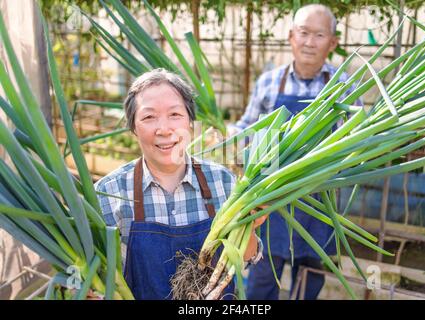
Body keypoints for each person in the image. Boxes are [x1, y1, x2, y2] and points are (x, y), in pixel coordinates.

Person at [95, 68, 264, 300]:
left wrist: (250, 227)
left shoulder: (223, 182)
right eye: (148, 117)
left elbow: (247, 257)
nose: (164, 129)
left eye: (175, 115)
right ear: (134, 128)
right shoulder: (109, 193)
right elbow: (98, 276)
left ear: (190, 122)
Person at [229, 4, 361, 300]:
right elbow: (247, 129)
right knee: (261, 281)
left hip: (320, 204)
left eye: (319, 35)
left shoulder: (343, 88)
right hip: (270, 203)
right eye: (303, 33)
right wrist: (227, 137)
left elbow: (357, 143)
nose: (310, 42)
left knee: (309, 281)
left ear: (333, 42)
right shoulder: (268, 82)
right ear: (291, 36)